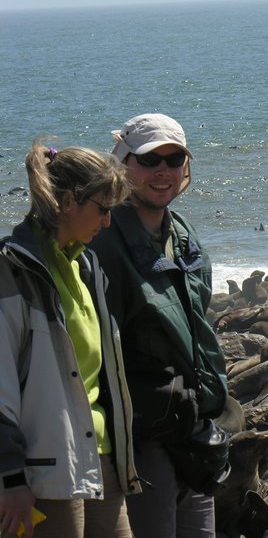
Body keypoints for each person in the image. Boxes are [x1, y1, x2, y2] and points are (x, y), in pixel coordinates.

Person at [90, 114, 229, 538]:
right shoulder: (103, 240)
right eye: (150, 161)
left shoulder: (183, 235)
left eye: (174, 159)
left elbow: (198, 324)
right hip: (142, 433)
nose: (163, 171)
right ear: (123, 164)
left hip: (192, 425)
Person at [0, 142, 139, 538]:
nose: (109, 221)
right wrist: (10, 479)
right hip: (43, 473)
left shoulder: (87, 267)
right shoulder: (13, 272)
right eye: (103, 208)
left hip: (102, 459)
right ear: (66, 202)